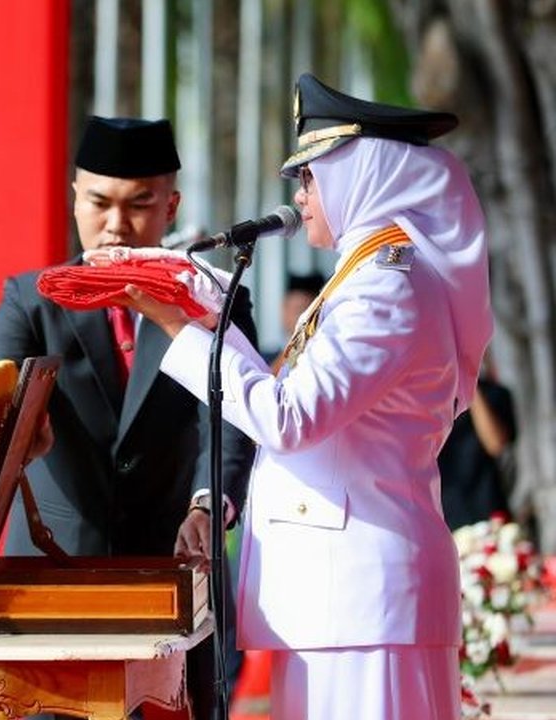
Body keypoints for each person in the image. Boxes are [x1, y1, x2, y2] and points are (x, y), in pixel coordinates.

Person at [114, 73, 490, 718]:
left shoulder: (386, 288)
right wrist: (204, 320)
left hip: (363, 605)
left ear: (366, 178)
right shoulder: (363, 278)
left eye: (312, 177)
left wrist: (182, 327)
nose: (301, 195)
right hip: (342, 605)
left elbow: (289, 419)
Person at [0, 116, 258, 718]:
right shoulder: (32, 300)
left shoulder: (211, 298)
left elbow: (232, 417)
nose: (116, 224)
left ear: (171, 206)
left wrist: (210, 504)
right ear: (73, 197)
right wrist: (15, 429)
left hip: (173, 574)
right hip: (49, 584)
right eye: (99, 202)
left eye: (140, 204)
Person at [438, 353, 516, 530]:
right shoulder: (427, 400)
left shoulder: (496, 394)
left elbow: (495, 444)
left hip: (490, 513)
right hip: (444, 519)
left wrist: (468, 383)